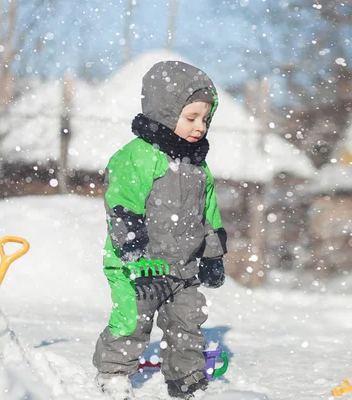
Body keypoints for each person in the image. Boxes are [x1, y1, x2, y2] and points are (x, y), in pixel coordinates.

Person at [92, 60, 228, 400]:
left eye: (205, 119)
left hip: (183, 268)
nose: (200, 127)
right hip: (139, 265)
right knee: (132, 322)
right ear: (166, 112)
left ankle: (187, 382)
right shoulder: (137, 156)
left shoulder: (198, 167)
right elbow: (122, 202)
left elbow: (208, 213)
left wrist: (213, 254)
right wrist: (132, 246)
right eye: (191, 117)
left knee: (188, 325)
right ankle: (114, 375)